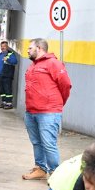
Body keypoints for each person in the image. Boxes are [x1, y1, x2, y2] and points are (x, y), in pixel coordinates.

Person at [22, 38, 72, 180]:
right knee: (37, 142)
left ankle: (55, 174)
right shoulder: (33, 65)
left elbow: (66, 85)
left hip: (48, 112)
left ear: (39, 48)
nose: (27, 50)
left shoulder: (53, 63)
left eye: (30, 48)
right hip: (31, 111)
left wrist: (57, 103)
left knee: (48, 143)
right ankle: (41, 168)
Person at [0, 41, 18, 109]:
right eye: (2, 46)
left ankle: (9, 104)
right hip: (0, 75)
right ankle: (4, 102)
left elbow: (15, 61)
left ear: (7, 47)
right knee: (2, 90)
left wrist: (8, 59)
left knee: (7, 89)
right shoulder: (0, 54)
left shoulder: (10, 54)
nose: (2, 47)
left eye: (4, 46)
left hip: (7, 75)